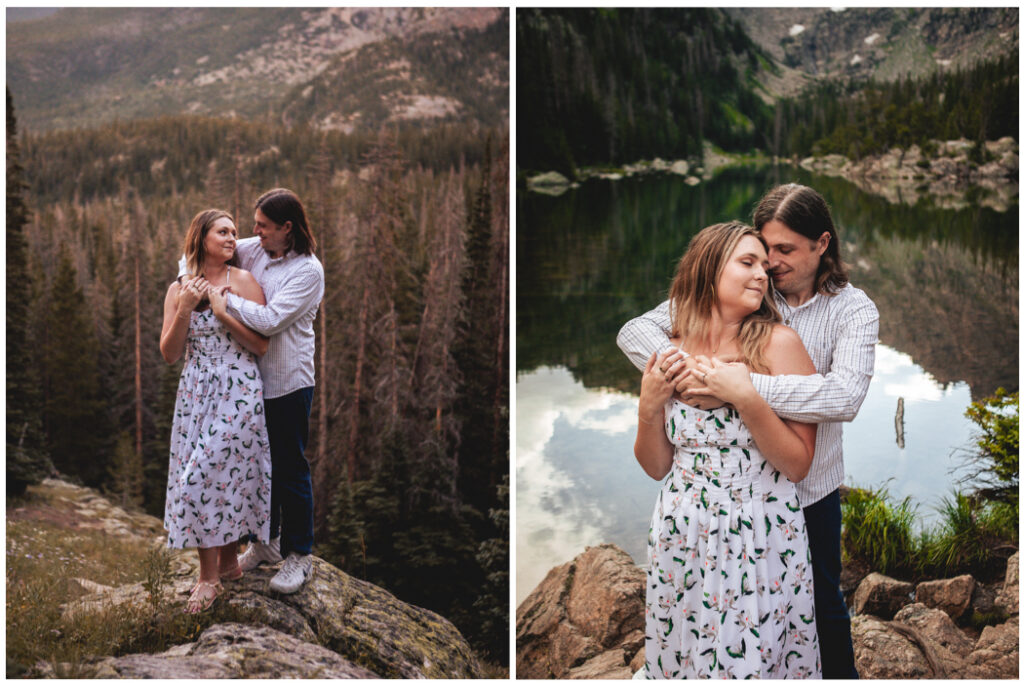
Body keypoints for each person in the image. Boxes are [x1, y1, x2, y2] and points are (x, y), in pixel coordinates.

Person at [619, 184, 878, 679]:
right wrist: (674, 382)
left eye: (783, 252)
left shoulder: (848, 311)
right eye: (762, 251)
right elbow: (635, 331)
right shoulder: (726, 304)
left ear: (821, 244)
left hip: (798, 491)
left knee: (821, 601)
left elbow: (843, 398)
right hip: (691, 519)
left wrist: (738, 388)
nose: (770, 266)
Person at [636, 221, 821, 678]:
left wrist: (745, 397)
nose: (763, 273)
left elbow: (798, 464)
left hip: (757, 534)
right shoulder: (670, 350)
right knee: (682, 655)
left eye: (764, 264)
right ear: (708, 268)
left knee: (753, 660)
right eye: (747, 262)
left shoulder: (780, 345)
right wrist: (648, 408)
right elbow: (656, 465)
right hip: (682, 533)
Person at [186, 188, 325, 595]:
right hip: (246, 382)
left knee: (288, 465)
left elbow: (270, 320)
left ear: (287, 228)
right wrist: (190, 281)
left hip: (286, 382)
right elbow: (201, 252)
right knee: (255, 468)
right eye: (253, 225)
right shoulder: (258, 248)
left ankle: (300, 555)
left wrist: (222, 302)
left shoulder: (308, 271)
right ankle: (267, 543)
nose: (252, 233)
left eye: (262, 226)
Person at [160, 209, 273, 614]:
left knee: (205, 475)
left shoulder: (243, 281)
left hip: (238, 390)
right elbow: (170, 354)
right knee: (214, 477)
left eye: (234, 233)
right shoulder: (179, 289)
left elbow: (261, 346)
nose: (232, 238)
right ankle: (225, 565)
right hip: (194, 393)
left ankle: (208, 579)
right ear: (201, 237)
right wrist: (187, 308)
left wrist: (225, 314)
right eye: (222, 231)